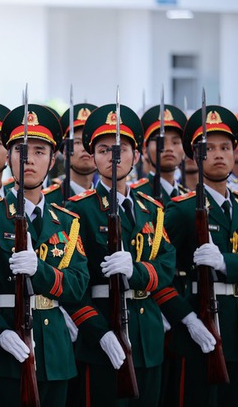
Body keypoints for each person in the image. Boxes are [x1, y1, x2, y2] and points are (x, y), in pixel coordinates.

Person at [0, 103, 89, 406]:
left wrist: (41, 271)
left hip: (55, 353)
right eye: (21, 151)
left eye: (38, 152)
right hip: (6, 346)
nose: (29, 160)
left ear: (53, 160)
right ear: (8, 158)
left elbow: (77, 285)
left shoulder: (67, 221)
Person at [65, 103, 177, 407]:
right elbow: (75, 286)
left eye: (121, 149)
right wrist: (99, 332)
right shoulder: (78, 210)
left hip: (148, 337)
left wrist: (137, 271)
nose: (112, 157)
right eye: (103, 150)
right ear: (93, 157)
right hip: (102, 332)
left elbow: (167, 266)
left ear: (136, 156)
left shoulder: (151, 210)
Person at [164, 105, 238, 406]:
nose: (218, 154)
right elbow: (164, 274)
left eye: (225, 147)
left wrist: (226, 262)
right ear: (194, 156)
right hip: (197, 328)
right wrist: (187, 319)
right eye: (208, 148)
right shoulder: (180, 211)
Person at [130, 104, 189, 203]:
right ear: (144, 151)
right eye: (160, 142)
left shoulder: (188, 198)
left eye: (175, 142)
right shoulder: (135, 196)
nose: (169, 148)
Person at [43, 103, 97, 205]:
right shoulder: (48, 200)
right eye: (77, 142)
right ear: (64, 152)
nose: (84, 148)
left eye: (89, 142)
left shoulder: (108, 200)